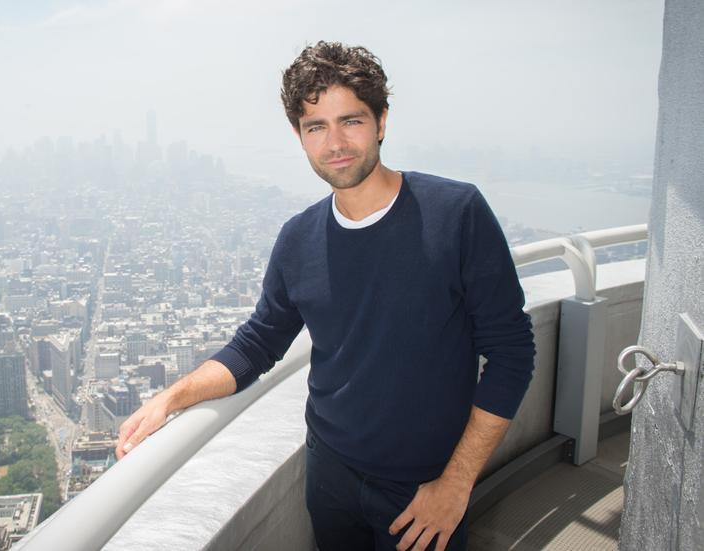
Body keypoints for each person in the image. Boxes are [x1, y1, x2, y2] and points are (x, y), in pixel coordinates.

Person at [116, 40, 535, 551]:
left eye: (351, 121)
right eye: (316, 127)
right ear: (300, 137)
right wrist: (171, 398)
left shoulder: (455, 214)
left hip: (424, 481)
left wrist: (455, 484)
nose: (335, 142)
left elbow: (513, 354)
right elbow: (256, 345)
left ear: (382, 121)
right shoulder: (299, 239)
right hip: (329, 474)